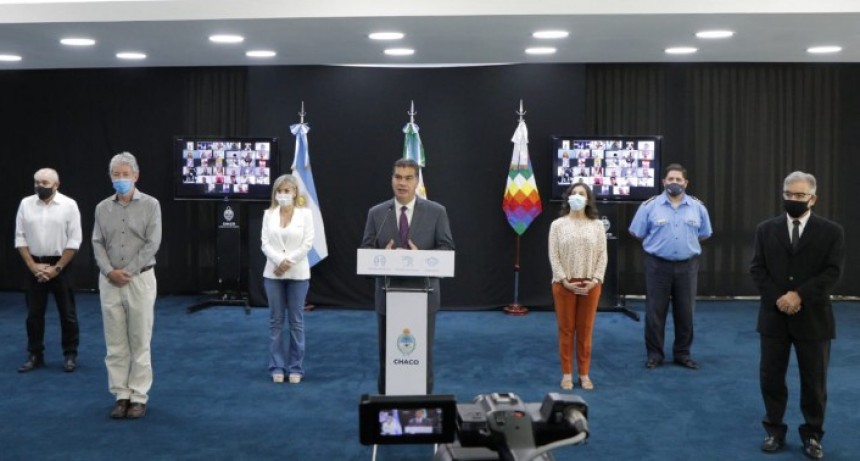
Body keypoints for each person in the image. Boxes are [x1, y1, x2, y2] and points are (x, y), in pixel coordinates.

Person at [750, 171, 844, 460]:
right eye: (788, 194)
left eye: (800, 195)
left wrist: (798, 295)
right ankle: (774, 430)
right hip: (774, 317)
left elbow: (832, 272)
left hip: (813, 319)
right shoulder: (765, 229)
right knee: (771, 378)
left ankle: (813, 435)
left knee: (814, 382)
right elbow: (757, 269)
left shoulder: (832, 232)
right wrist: (779, 298)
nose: (793, 199)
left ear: (813, 198)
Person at [360, 158, 455, 394]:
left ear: (416, 181)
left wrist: (420, 258)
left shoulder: (436, 212)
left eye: (408, 178)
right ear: (392, 179)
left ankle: (424, 403)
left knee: (421, 354)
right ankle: (386, 403)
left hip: (424, 296)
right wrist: (383, 257)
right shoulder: (377, 213)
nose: (402, 183)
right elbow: (366, 252)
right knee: (388, 355)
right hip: (388, 296)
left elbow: (447, 250)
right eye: (398, 177)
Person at [92, 152, 162, 419]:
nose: (121, 179)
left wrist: (128, 272)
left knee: (140, 340)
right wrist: (109, 271)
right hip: (109, 281)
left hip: (139, 280)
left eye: (125, 174)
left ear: (136, 176)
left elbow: (152, 243)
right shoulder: (102, 208)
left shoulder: (151, 205)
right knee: (115, 342)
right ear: (110, 177)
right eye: (116, 175)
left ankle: (139, 396)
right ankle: (121, 395)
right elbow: (97, 242)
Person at [628, 163, 712, 370]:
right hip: (657, 266)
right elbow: (637, 232)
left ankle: (682, 354)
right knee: (655, 312)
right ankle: (655, 355)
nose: (674, 182)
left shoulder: (698, 207)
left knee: (686, 313)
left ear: (686, 183)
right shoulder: (649, 206)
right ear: (663, 181)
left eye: (678, 179)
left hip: (687, 267)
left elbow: (704, 234)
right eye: (671, 179)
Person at [14, 168, 82, 373]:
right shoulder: (25, 204)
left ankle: (70, 354)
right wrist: (33, 266)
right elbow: (20, 237)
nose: (39, 186)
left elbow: (74, 240)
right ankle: (35, 354)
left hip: (61, 265)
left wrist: (57, 268)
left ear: (56, 185)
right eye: (37, 182)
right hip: (34, 264)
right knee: (33, 315)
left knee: (68, 314)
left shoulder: (69, 205)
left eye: (44, 183)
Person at [548, 182, 607, 390]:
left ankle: (584, 373)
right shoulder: (557, 225)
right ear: (568, 198)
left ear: (588, 199)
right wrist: (564, 280)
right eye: (574, 193)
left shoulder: (597, 225)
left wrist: (595, 280)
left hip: (590, 285)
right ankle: (566, 373)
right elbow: (553, 255)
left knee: (585, 330)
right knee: (566, 330)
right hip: (564, 284)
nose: (577, 197)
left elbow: (602, 255)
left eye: (582, 194)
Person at [261, 174, 314, 384]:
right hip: (273, 274)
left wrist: (288, 262)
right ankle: (277, 366)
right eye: (279, 191)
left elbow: (308, 243)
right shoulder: (268, 214)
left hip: (298, 274)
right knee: (275, 321)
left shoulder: (305, 215)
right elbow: (265, 243)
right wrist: (278, 261)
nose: (283, 194)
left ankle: (296, 368)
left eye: (287, 191)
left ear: (294, 193)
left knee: (296, 321)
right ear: (275, 194)